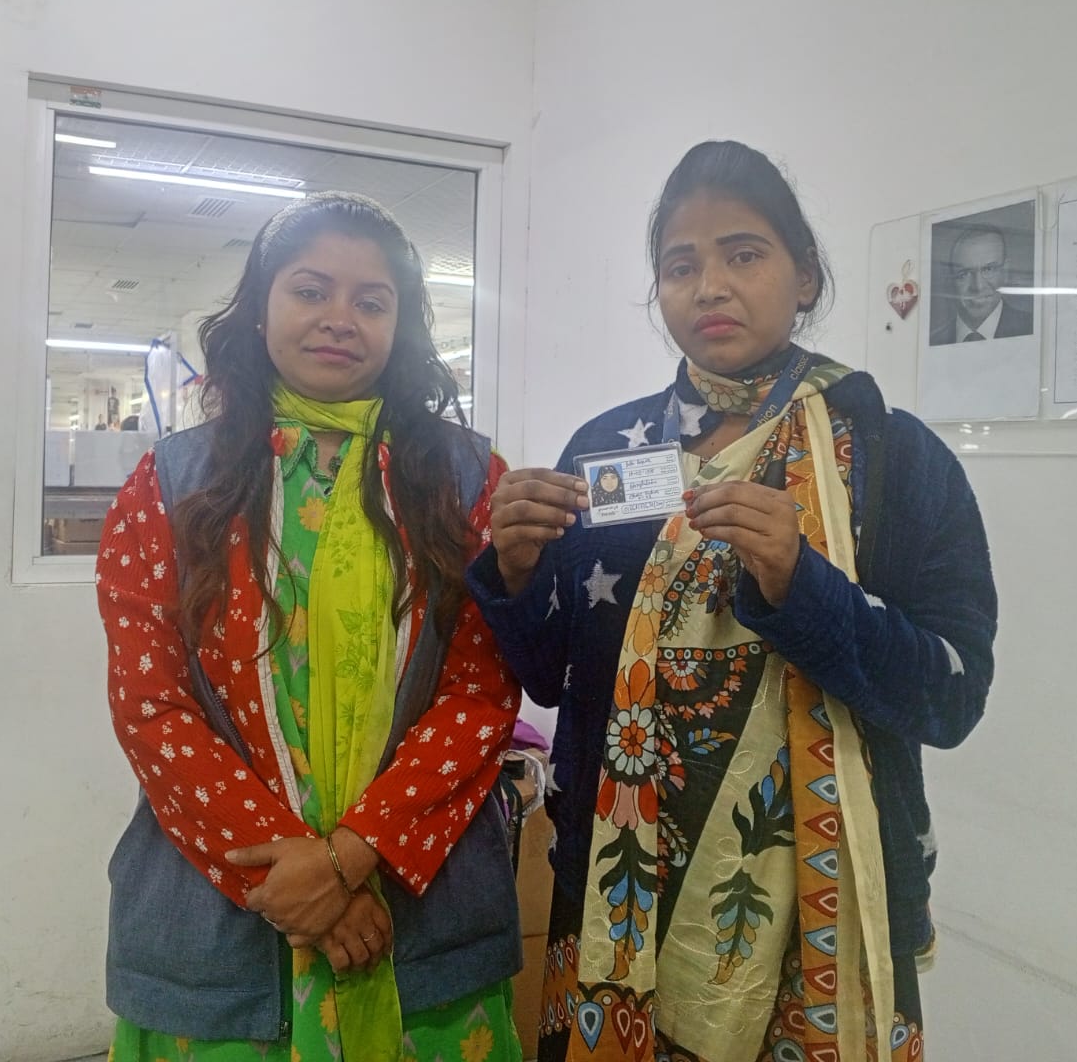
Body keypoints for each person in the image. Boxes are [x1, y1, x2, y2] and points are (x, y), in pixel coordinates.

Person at [469, 141, 997, 1062]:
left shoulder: (892, 457)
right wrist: (513, 572)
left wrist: (803, 585)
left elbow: (950, 697)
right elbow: (553, 679)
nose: (710, 286)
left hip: (815, 923)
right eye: (681, 265)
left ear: (805, 276)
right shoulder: (610, 447)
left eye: (743, 254)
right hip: (620, 897)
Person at [97, 192, 525, 1062]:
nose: (340, 319)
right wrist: (297, 882)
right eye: (310, 290)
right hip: (224, 923)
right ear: (260, 310)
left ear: (401, 326)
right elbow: (151, 706)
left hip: (422, 911)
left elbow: (480, 693)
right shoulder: (171, 483)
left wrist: (351, 857)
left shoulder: (467, 480)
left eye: (372, 301)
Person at [929, 227, 1031, 344]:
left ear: (1006, 271)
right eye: (964, 274)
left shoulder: (1031, 326)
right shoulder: (934, 341)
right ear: (951, 280)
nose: (978, 286)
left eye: (988, 269)